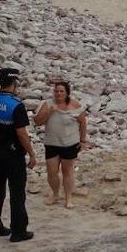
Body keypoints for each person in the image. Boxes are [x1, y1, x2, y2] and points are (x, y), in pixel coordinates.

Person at [0, 67, 37, 242]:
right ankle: (19, 230)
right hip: (13, 153)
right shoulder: (16, 105)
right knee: (16, 192)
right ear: (14, 83)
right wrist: (31, 153)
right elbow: (21, 133)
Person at [34, 81, 88, 209]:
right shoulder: (47, 104)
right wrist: (49, 112)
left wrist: (82, 141)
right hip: (52, 143)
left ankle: (68, 198)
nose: (58, 93)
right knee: (51, 172)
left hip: (70, 143)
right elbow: (37, 122)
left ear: (67, 92)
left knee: (67, 172)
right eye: (56, 91)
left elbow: (83, 123)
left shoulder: (75, 105)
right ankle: (55, 194)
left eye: (61, 91)